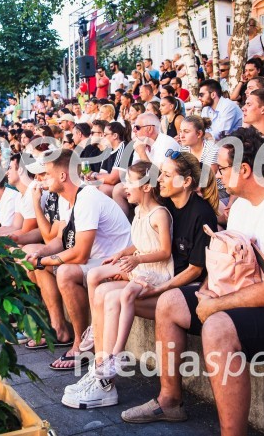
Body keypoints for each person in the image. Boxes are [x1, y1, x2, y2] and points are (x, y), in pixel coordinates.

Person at [127, 128, 264, 429]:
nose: (216, 173)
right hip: (262, 296)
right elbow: (231, 269)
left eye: (223, 167)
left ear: (244, 169)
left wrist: (216, 306)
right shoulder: (242, 205)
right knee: (171, 302)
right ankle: (169, 401)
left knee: (217, 326)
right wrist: (207, 294)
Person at [77, 152, 218, 417]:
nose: (159, 179)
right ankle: (102, 372)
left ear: (186, 182)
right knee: (105, 291)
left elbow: (196, 270)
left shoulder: (202, 213)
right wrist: (129, 257)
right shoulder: (166, 201)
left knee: (119, 296)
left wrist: (159, 287)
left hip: (183, 289)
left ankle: (110, 374)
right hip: (158, 278)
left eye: (165, 175)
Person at [62, 161, 173, 409]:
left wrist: (135, 260)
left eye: (130, 182)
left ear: (146, 186)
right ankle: (95, 345)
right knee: (95, 277)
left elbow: (164, 251)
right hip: (138, 264)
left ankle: (112, 360)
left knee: (117, 295)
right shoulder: (140, 213)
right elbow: (138, 242)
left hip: (153, 271)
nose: (124, 187)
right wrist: (122, 254)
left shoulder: (160, 214)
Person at [23, 149, 132, 370]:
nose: (41, 179)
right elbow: (62, 240)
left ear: (63, 176)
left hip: (117, 264)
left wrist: (45, 261)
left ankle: (81, 346)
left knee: (64, 271)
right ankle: (59, 328)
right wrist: (40, 255)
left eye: (46, 174)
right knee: (39, 257)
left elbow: (80, 253)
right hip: (99, 261)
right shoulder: (70, 199)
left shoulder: (87, 198)